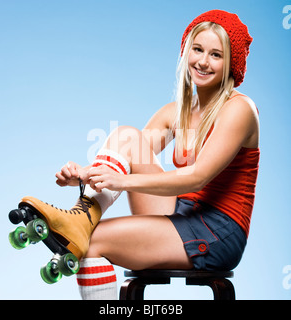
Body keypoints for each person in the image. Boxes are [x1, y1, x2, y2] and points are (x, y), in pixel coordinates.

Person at [19, 10, 260, 299]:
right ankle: (79, 217)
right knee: (127, 136)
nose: (203, 61)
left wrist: (119, 182)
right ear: (186, 52)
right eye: (197, 49)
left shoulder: (239, 110)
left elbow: (197, 177)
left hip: (218, 230)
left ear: (231, 63)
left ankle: (81, 228)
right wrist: (85, 174)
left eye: (216, 55)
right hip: (181, 212)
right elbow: (125, 156)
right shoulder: (177, 112)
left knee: (93, 242)